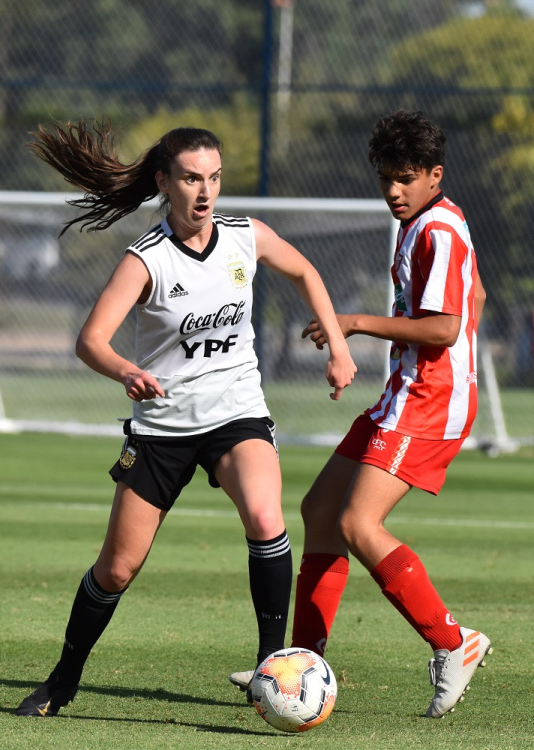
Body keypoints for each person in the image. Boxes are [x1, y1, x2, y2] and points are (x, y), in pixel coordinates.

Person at [14, 121, 357, 717]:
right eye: (192, 178)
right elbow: (90, 341)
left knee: (265, 516)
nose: (205, 191)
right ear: (164, 182)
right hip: (162, 429)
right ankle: (63, 680)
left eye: (214, 178)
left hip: (237, 414)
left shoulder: (246, 237)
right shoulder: (145, 259)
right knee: (117, 569)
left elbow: (306, 272)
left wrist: (340, 346)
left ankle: (271, 670)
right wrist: (125, 370)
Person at [230, 110, 490, 719]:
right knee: (319, 511)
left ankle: (455, 643)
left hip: (429, 401)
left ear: (434, 175)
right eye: (385, 178)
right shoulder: (423, 222)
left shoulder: (437, 231)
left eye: (405, 178)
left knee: (357, 524)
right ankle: (297, 664)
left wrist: (352, 322)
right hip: (404, 392)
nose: (392, 191)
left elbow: (447, 326)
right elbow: (473, 295)